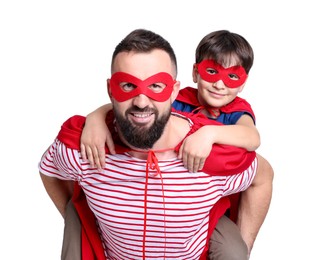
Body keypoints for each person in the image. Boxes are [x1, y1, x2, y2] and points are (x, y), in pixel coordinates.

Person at [39, 28, 262, 260]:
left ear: (173, 91)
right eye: (127, 86)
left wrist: (208, 135)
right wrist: (94, 119)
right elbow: (50, 169)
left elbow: (258, 163)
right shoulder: (81, 147)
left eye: (156, 86)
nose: (142, 101)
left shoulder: (225, 137)